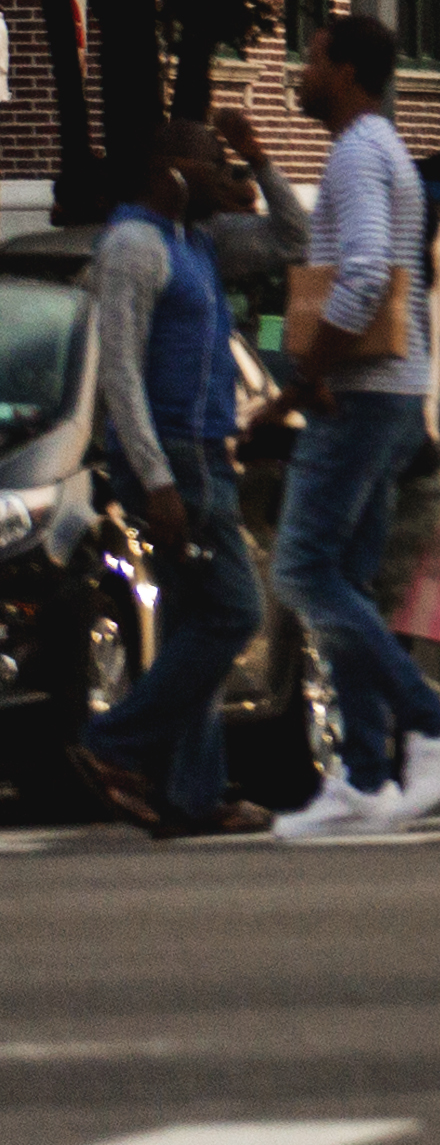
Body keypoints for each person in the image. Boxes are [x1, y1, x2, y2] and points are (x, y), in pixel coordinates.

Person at [263, 11, 440, 840]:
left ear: (349, 72)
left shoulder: (359, 154)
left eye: (313, 57)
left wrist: (304, 379)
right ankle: (364, 780)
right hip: (395, 392)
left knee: (303, 572)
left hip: (361, 396)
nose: (301, 68)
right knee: (348, 584)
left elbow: (361, 277)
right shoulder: (385, 151)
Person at [67, 121, 271, 839]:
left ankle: (193, 795)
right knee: (235, 612)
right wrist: (154, 481)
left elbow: (294, 243)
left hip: (206, 450)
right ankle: (114, 744)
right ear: (166, 170)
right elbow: (120, 373)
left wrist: (261, 163)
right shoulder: (132, 247)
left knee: (191, 620)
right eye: (209, 161)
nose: (221, 174)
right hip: (174, 458)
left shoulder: (196, 243)